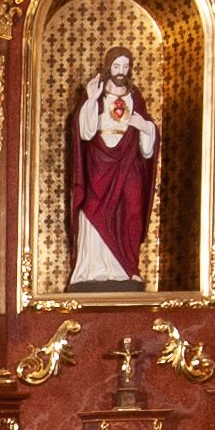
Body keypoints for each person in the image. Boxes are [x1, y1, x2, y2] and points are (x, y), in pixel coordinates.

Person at [66, 47, 159, 285]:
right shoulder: (97, 94)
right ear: (109, 67)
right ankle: (93, 270)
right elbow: (85, 133)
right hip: (99, 163)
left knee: (133, 209)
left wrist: (145, 127)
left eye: (125, 67)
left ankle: (128, 268)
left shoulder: (135, 97)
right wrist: (91, 99)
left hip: (129, 163)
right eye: (117, 66)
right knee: (94, 208)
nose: (121, 72)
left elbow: (147, 144)